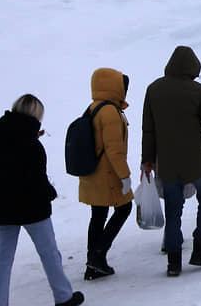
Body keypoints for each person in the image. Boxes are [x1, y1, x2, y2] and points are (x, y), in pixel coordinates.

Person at [0, 94, 84, 306]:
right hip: (33, 208)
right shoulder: (32, 146)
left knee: (2, 260)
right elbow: (36, 180)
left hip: (2, 207)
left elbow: (4, 172)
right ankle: (63, 296)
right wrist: (51, 193)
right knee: (49, 253)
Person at [141, 46, 201, 277]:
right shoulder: (199, 91)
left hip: (167, 162)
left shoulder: (153, 89)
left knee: (173, 209)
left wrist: (148, 160)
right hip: (196, 162)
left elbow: (149, 130)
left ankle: (174, 262)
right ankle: (200, 249)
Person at [78, 68, 133, 281]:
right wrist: (125, 176)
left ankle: (93, 264)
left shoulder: (93, 108)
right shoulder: (110, 112)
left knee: (98, 215)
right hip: (107, 174)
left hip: (92, 173)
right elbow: (114, 150)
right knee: (124, 208)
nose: (125, 91)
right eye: (123, 87)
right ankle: (98, 256)